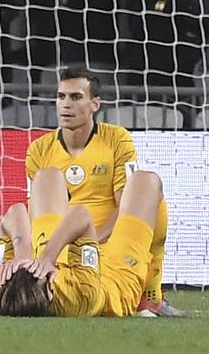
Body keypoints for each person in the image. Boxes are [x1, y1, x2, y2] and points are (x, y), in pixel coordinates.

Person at [23, 66, 183, 317]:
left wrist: (92, 238)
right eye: (60, 97)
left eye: (76, 97)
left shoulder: (116, 139)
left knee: (147, 186)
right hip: (61, 248)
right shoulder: (39, 150)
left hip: (110, 242)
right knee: (46, 178)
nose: (66, 105)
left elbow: (126, 204)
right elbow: (38, 214)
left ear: (94, 103)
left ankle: (150, 293)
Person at [0, 166, 166, 318]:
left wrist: (22, 257)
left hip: (59, 259)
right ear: (51, 289)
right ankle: (152, 295)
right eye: (34, 272)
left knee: (47, 177)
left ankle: (80, 243)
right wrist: (48, 258)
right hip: (115, 277)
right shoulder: (82, 295)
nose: (29, 268)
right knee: (146, 182)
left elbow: (14, 213)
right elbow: (82, 214)